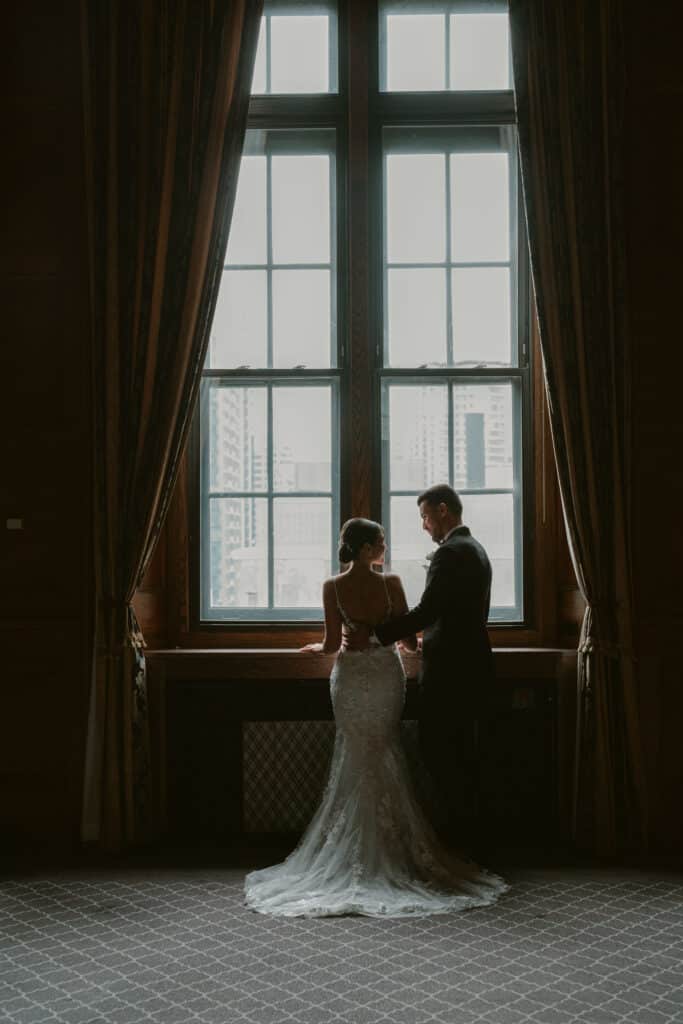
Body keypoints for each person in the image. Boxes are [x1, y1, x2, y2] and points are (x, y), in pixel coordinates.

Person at [244, 517, 508, 918]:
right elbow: (405, 639)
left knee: (355, 753)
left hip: (350, 678)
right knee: (385, 750)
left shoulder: (333, 586)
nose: (385, 548)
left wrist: (316, 646)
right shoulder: (392, 584)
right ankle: (396, 853)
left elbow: (333, 643)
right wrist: (421, 644)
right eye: (381, 542)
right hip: (386, 675)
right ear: (367, 548)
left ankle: (360, 852)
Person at [373, 484, 495, 851]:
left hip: (449, 672)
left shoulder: (450, 554)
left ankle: (458, 838)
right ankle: (468, 837)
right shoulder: (477, 550)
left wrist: (378, 633)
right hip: (473, 663)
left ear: (444, 510)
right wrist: (431, 636)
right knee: (463, 752)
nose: (424, 526)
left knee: (439, 750)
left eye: (425, 516)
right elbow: (456, 612)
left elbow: (428, 610)